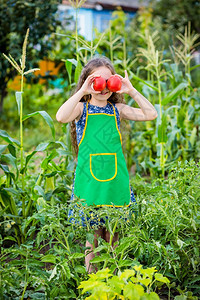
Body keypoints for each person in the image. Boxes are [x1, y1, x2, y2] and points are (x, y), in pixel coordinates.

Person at [56, 56, 158, 273]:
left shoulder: (117, 110)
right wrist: (83, 91)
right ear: (88, 82)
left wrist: (131, 90)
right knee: (93, 235)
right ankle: (91, 279)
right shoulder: (81, 109)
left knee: (113, 232)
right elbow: (61, 116)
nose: (104, 87)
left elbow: (151, 114)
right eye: (97, 82)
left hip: (115, 181)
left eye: (108, 80)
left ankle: (112, 276)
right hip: (90, 182)